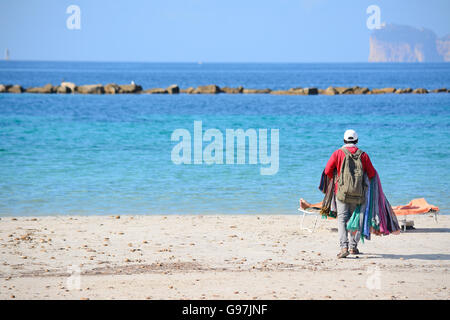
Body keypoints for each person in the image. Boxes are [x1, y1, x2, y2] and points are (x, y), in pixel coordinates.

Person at [324, 129, 376, 258]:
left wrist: (336, 181)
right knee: (356, 219)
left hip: (341, 192)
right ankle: (353, 247)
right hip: (359, 192)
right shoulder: (363, 155)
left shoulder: (338, 153)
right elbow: (372, 174)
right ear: (357, 141)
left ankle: (344, 247)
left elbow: (327, 171)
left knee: (342, 219)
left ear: (344, 140)